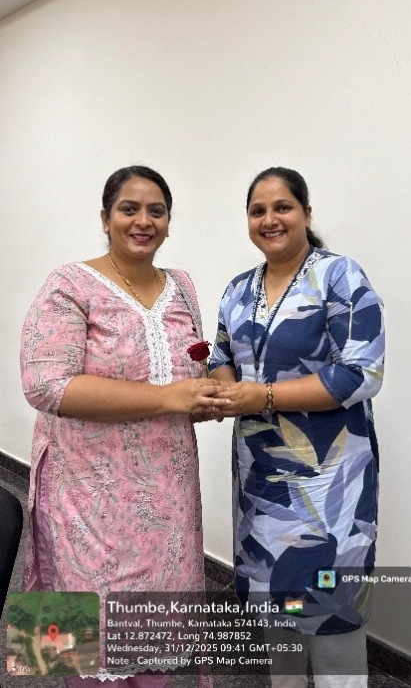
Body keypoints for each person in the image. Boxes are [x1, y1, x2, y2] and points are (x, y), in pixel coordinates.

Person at [20, 165, 228, 687]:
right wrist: (165, 398)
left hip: (167, 495)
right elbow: (45, 385)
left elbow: (188, 370)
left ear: (169, 222)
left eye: (156, 211)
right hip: (86, 494)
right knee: (84, 639)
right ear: (105, 217)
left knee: (155, 633)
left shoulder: (181, 286)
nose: (143, 221)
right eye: (129, 209)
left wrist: (204, 397)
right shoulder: (69, 284)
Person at [209, 167, 385, 688]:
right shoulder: (238, 290)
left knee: (331, 615)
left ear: (306, 213)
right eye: (257, 211)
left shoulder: (339, 276)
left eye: (282, 207)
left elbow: (360, 373)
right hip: (261, 482)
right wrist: (223, 390)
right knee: (276, 610)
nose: (270, 219)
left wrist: (261, 395)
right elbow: (221, 356)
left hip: (330, 484)